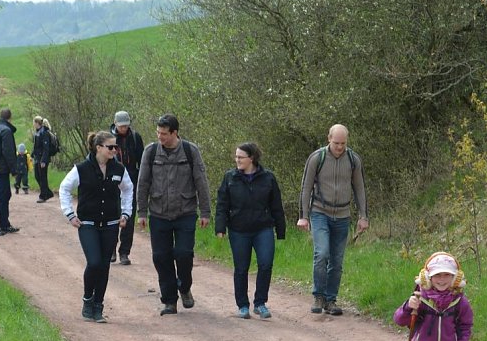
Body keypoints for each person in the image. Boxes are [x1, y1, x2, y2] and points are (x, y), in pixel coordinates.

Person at [136, 113, 211, 315]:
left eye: (164, 133)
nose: (160, 137)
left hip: (185, 212)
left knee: (184, 254)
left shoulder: (189, 150)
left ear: (175, 133)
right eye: (158, 132)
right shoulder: (150, 152)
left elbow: (201, 181)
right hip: (159, 213)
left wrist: (205, 211)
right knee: (161, 257)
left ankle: (184, 287)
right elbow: (143, 182)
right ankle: (169, 300)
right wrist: (141, 211)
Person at [59, 130, 134, 323]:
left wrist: (126, 213)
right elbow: (64, 188)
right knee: (94, 263)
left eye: (116, 147)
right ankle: (87, 299)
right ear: (98, 148)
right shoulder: (81, 169)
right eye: (110, 147)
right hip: (88, 224)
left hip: (110, 224)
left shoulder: (119, 169)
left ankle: (98, 306)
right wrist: (69, 214)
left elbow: (128, 189)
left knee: (104, 266)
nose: (115, 150)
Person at [297, 124, 369, 315]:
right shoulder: (317, 158)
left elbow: (359, 188)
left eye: (343, 143)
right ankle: (318, 296)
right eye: (336, 143)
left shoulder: (353, 160)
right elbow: (305, 187)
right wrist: (303, 216)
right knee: (322, 254)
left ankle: (331, 300)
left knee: (337, 260)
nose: (339, 147)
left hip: (343, 215)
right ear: (329, 138)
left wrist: (363, 216)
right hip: (320, 212)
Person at [215, 142, 286, 319]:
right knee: (241, 268)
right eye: (236, 157)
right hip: (238, 230)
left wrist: (281, 229)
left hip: (263, 228)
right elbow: (222, 205)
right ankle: (243, 306)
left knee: (265, 263)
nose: (237, 160)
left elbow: (276, 205)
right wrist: (220, 227)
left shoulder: (268, 178)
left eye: (241, 157)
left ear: (252, 158)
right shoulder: (230, 177)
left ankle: (260, 303)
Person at [110, 110, 145, 265]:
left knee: (128, 218)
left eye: (126, 125)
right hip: (112, 182)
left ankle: (124, 252)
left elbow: (142, 161)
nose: (124, 128)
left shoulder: (135, 138)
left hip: (131, 181)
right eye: (121, 126)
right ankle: (111, 250)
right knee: (111, 217)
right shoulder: (108, 139)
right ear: (116, 124)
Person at [0, 108, 20, 236]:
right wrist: (14, 169)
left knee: (6, 195)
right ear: (10, 118)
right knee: (0, 196)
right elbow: (9, 153)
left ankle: (5, 224)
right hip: (3, 168)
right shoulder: (6, 131)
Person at [32, 116, 55, 203]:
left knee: (42, 177)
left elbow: (46, 148)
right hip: (37, 158)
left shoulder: (44, 133)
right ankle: (48, 193)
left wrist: (44, 161)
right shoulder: (37, 132)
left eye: (34, 122)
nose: (33, 124)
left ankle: (43, 196)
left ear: (37, 123)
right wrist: (31, 155)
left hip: (43, 159)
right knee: (37, 176)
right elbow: (36, 147)